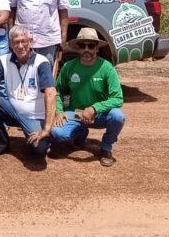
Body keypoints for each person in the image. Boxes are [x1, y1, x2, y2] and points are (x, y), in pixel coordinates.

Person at [50, 28, 125, 166]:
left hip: (99, 115)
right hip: (76, 114)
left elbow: (118, 98)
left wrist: (94, 108)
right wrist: (59, 111)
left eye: (91, 45)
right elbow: (59, 91)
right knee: (56, 133)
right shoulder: (68, 67)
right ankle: (80, 133)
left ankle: (106, 148)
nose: (86, 50)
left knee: (118, 116)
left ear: (97, 48)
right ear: (77, 48)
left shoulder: (107, 68)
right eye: (82, 45)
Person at [0, 25, 57, 160]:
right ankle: (2, 142)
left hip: (35, 116)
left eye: (24, 41)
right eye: (16, 42)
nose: (20, 46)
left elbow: (50, 93)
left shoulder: (41, 62)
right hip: (13, 112)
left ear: (31, 42)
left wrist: (46, 129)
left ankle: (42, 137)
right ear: (10, 44)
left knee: (39, 150)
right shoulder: (3, 60)